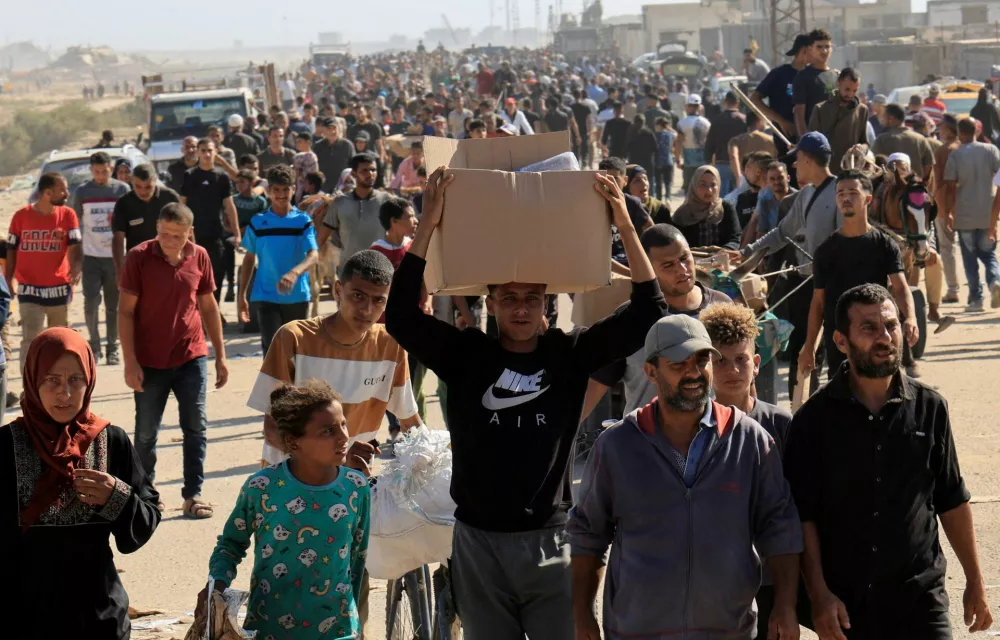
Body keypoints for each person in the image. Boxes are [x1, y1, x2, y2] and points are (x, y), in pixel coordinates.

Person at [385, 168, 664, 640]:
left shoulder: (570, 354)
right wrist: (428, 224)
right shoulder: (467, 355)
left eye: (532, 299)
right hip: (479, 545)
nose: (520, 308)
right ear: (491, 303)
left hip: (552, 543)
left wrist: (623, 223)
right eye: (509, 298)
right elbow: (398, 316)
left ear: (546, 305)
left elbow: (649, 311)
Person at [569, 314, 802, 640]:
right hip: (637, 632)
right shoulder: (617, 446)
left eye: (702, 360)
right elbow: (587, 536)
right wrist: (582, 616)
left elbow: (780, 528)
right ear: (651, 371)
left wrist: (785, 606)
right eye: (678, 364)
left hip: (728, 631)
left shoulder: (750, 440)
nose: (693, 372)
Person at [785, 283, 994, 639]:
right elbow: (804, 517)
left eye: (891, 325)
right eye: (868, 328)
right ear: (840, 341)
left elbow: (951, 499)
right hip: (848, 606)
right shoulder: (813, 420)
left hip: (920, 599)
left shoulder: (930, 407)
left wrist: (975, 581)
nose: (884, 337)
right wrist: (819, 595)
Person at [1, 327, 160, 640]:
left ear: (90, 380)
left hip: (99, 618)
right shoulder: (6, 446)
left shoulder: (111, 441)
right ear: (33, 380)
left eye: (76, 379)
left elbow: (147, 518)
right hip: (24, 617)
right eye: (52, 380)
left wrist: (118, 496)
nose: (65, 393)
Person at [201, 380, 369, 639]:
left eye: (343, 425)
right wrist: (216, 586)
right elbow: (231, 544)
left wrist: (355, 625)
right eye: (328, 431)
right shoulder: (262, 487)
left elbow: (357, 559)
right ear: (294, 441)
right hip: (270, 627)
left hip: (338, 628)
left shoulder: (356, 487)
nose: (344, 437)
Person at [118, 203, 229, 519]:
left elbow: (208, 307)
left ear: (189, 233)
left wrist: (221, 356)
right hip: (149, 360)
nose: (169, 241)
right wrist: (130, 361)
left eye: (177, 236)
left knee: (196, 426)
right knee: (145, 433)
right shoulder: (138, 257)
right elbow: (125, 311)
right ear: (157, 227)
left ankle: (193, 495)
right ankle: (147, 494)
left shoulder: (200, 256)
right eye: (164, 234)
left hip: (191, 355)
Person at [698, 302, 794, 638]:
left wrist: (787, 598)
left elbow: (793, 512)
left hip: (769, 577)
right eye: (720, 361)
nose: (732, 370)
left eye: (741, 360)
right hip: (711, 582)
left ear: (757, 363)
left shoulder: (780, 424)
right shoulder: (690, 428)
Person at [583, 224, 731, 421]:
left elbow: (745, 382)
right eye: (668, 265)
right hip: (644, 437)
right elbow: (592, 391)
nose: (682, 270)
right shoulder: (632, 320)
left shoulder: (722, 307)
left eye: (684, 258)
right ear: (647, 270)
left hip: (712, 435)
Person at [740, 132, 839, 398]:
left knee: (834, 355)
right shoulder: (804, 195)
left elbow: (846, 242)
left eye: (797, 159)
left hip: (833, 288)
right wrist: (748, 252)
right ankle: (802, 408)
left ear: (807, 159)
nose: (793, 165)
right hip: (804, 285)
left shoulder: (840, 191)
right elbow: (782, 233)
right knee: (801, 353)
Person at [801, 170, 917, 380]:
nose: (846, 198)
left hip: (877, 337)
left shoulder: (885, 245)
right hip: (841, 342)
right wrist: (809, 346)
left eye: (853, 193)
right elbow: (818, 302)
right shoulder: (825, 251)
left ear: (868, 200)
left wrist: (911, 317)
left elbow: (900, 287)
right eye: (841, 193)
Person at [6, 172, 82, 377]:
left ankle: (57, 381)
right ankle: (29, 384)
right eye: (62, 190)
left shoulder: (68, 215)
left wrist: (76, 267)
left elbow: (75, 246)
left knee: (59, 340)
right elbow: (11, 250)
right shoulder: (21, 216)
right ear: (48, 192)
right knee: (30, 339)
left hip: (59, 288)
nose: (67, 193)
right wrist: (8, 280)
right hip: (29, 289)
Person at [238, 166, 318, 354]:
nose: (281, 195)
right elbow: (249, 259)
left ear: (293, 189)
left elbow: (313, 255)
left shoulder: (303, 221)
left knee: (296, 352)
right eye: (276, 190)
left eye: (285, 189)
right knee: (272, 351)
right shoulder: (258, 222)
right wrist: (242, 295)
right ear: (269, 191)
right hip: (265, 295)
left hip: (297, 295)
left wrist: (294, 273)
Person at [72, 152, 131, 365]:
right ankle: (94, 346)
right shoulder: (83, 191)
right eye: (96, 172)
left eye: (104, 171)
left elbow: (129, 220)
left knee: (113, 305)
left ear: (110, 168)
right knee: (91, 303)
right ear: (91, 170)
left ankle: (112, 347)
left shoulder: (121, 190)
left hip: (115, 257)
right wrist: (76, 259)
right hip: (91, 257)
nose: (100, 176)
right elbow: (75, 224)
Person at [941, 117, 1000, 311]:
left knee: (970, 259)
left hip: (964, 214)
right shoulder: (991, 150)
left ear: (961, 133)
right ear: (976, 131)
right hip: (987, 213)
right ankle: (994, 281)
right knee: (989, 255)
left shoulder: (956, 156)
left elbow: (950, 188)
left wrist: (948, 213)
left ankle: (976, 300)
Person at [180, 138, 240, 310]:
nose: (207, 154)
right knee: (193, 276)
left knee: (216, 275)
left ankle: (214, 311)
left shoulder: (221, 177)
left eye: (210, 150)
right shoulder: (190, 175)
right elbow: (182, 205)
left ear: (216, 152)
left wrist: (237, 233)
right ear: (198, 152)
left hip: (215, 234)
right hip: (194, 236)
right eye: (203, 150)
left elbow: (229, 206)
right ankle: (197, 313)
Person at [316, 153, 390, 277]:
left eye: (373, 170)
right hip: (349, 273)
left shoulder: (386, 201)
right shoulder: (339, 203)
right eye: (364, 170)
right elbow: (321, 238)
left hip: (380, 271)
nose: (370, 174)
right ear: (354, 174)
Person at [111, 163, 180, 276]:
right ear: (132, 181)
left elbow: (185, 229)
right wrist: (120, 270)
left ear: (155, 181)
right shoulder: (124, 204)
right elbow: (118, 239)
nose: (143, 192)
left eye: (148, 187)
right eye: (138, 187)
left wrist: (191, 261)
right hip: (138, 265)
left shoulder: (170, 198)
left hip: (169, 262)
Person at [752, 33, 810, 154]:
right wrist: (781, 121)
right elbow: (755, 99)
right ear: (800, 51)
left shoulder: (814, 75)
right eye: (807, 50)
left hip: (810, 138)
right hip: (785, 139)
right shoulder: (779, 74)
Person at [808, 67, 869, 174]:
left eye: (854, 90)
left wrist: (861, 148)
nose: (850, 94)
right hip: (826, 172)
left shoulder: (862, 110)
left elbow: (865, 142)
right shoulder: (820, 109)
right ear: (838, 84)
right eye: (847, 89)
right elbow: (811, 143)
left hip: (850, 171)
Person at [598, 157, 654, 270]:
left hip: (627, 258)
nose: (609, 183)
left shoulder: (632, 203)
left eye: (614, 179)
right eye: (605, 179)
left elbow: (651, 230)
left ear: (625, 181)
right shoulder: (594, 204)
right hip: (603, 260)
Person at [671, 165, 741, 250]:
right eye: (703, 185)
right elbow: (675, 244)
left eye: (713, 185)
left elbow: (735, 238)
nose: (709, 190)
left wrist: (724, 251)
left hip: (722, 256)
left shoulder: (725, 208)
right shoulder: (682, 213)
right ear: (694, 185)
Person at [933, 113, 963, 306]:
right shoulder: (964, 147)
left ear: (949, 130)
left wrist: (940, 208)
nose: (939, 129)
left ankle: (953, 289)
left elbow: (938, 182)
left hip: (945, 204)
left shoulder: (943, 151)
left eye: (941, 126)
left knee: (947, 247)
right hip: (967, 205)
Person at [872, 103, 935, 181]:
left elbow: (873, 164)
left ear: (891, 118)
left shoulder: (882, 139)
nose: (882, 119)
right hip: (915, 186)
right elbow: (929, 167)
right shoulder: (920, 139)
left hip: (890, 186)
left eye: (884, 116)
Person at [792, 29, 837, 138]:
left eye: (827, 47)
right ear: (810, 49)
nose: (824, 51)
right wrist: (805, 140)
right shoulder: (803, 77)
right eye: (819, 47)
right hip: (815, 139)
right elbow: (799, 114)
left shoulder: (837, 76)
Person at [704, 92, 746, 194]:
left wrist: (708, 161)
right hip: (740, 164)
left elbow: (710, 143)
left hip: (722, 163)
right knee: (740, 194)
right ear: (738, 102)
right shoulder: (744, 120)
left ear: (725, 102)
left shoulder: (717, 120)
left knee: (722, 196)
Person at [728, 112, 777, 185]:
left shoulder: (736, 141)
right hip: (766, 180)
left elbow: (733, 157)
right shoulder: (771, 140)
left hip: (746, 179)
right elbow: (776, 159)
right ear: (759, 121)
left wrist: (738, 177)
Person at [675, 94, 711, 190]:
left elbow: (679, 142)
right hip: (704, 161)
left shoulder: (682, 123)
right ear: (699, 107)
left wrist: (678, 159)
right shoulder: (707, 123)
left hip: (688, 162)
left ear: (687, 106)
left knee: (689, 189)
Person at [312, 120, 355, 194]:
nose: (333, 132)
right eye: (329, 129)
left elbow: (354, 165)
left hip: (343, 187)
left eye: (334, 128)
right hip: (323, 187)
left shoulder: (347, 145)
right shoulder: (318, 146)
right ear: (324, 131)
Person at [653, 117, 677, 200]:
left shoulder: (654, 135)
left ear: (659, 125)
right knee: (668, 182)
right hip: (668, 160)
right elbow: (676, 134)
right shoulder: (670, 134)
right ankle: (668, 198)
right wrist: (669, 128)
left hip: (657, 161)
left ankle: (659, 199)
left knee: (658, 183)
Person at [292, 131, 319, 203]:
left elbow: (297, 173)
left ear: (308, 142)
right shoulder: (298, 156)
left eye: (300, 141)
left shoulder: (310, 156)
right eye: (296, 142)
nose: (297, 144)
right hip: (300, 188)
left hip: (306, 188)